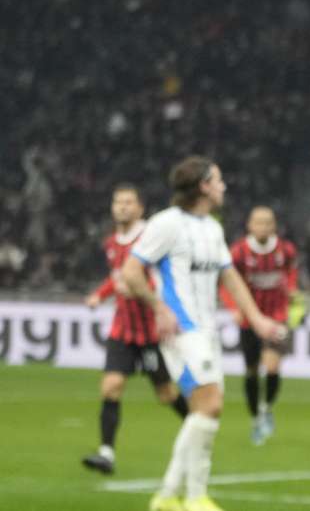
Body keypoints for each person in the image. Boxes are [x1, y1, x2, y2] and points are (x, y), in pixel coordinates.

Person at [119, 156, 286, 511]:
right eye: (219, 180)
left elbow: (229, 276)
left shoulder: (212, 227)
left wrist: (256, 319)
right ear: (203, 186)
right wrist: (159, 309)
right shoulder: (167, 224)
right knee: (210, 405)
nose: (224, 186)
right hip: (181, 329)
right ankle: (196, 498)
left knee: (202, 411)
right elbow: (131, 271)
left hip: (207, 330)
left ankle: (166, 496)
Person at [81, 184, 188, 475]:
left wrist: (149, 296)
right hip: (122, 330)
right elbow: (116, 278)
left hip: (150, 332)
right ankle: (106, 453)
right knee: (111, 386)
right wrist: (99, 296)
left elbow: (160, 278)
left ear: (140, 208)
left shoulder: (149, 239)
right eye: (118, 202)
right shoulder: (112, 243)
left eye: (129, 202)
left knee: (166, 394)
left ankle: (196, 428)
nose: (122, 207)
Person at [222, 205, 300, 445]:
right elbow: (225, 283)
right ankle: (256, 417)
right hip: (250, 318)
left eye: (268, 222)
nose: (263, 226)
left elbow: (291, 272)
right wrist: (234, 308)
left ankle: (266, 408)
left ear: (273, 225)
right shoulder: (238, 252)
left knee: (273, 366)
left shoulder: (286, 250)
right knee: (252, 371)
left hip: (277, 316)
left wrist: (292, 290)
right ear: (250, 225)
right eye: (259, 222)